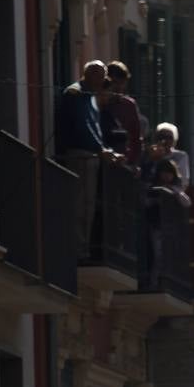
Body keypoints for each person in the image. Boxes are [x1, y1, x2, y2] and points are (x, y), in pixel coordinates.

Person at [56, 61, 121, 252]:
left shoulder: (90, 97)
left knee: (88, 204)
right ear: (90, 75)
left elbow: (94, 127)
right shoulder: (76, 94)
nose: (103, 81)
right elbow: (83, 125)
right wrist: (101, 149)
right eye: (101, 76)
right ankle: (77, 247)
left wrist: (105, 150)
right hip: (79, 154)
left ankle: (82, 246)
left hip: (90, 155)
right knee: (79, 203)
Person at [143, 158, 192, 289]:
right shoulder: (153, 188)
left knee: (169, 257)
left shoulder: (175, 189)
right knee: (158, 255)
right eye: (164, 172)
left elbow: (187, 202)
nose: (166, 175)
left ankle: (166, 283)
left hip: (170, 228)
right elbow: (145, 202)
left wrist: (174, 192)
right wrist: (156, 199)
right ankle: (154, 283)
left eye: (169, 172)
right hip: (156, 226)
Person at [101, 60, 144, 167]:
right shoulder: (99, 103)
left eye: (122, 83)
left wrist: (134, 163)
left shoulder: (129, 105)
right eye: (115, 82)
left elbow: (136, 137)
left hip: (125, 162)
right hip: (103, 160)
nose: (119, 87)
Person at [144, 122, 192, 191]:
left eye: (169, 137)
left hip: (173, 192)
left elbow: (183, 181)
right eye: (161, 137)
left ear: (174, 140)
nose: (165, 140)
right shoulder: (150, 154)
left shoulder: (180, 156)